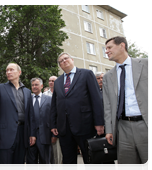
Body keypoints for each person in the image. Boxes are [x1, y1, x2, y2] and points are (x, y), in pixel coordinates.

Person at [50, 52, 104, 170]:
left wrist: (99, 122)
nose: (64, 61)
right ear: (60, 65)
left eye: (66, 58)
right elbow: (54, 104)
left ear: (72, 59)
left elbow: (96, 99)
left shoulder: (86, 74)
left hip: (85, 125)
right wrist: (53, 124)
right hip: (64, 128)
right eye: (61, 61)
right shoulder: (58, 81)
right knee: (68, 161)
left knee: (91, 160)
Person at [103, 36, 150, 170]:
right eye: (106, 49)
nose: (106, 51)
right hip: (122, 129)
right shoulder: (108, 76)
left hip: (146, 126)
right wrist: (109, 130)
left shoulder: (147, 64)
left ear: (122, 46)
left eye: (109, 47)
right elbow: (107, 106)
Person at [0, 63, 36, 170]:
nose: (8, 72)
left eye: (11, 70)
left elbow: (31, 115)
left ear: (19, 72)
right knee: (3, 166)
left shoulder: (27, 92)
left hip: (23, 134)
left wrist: (32, 134)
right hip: (4, 135)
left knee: (18, 166)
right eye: (7, 70)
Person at [27, 78, 52, 170]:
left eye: (36, 85)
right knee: (31, 162)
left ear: (41, 86)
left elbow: (53, 116)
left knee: (44, 162)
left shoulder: (49, 99)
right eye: (33, 85)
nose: (34, 87)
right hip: (30, 136)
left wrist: (53, 134)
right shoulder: (27, 99)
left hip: (45, 135)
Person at [95, 72, 116, 170]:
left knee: (110, 153)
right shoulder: (94, 93)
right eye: (98, 78)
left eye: (102, 78)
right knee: (100, 151)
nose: (101, 80)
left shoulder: (111, 90)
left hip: (112, 125)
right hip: (98, 126)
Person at [43, 76, 63, 170]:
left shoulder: (61, 92)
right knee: (49, 151)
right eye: (49, 81)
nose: (51, 82)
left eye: (53, 81)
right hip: (46, 127)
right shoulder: (44, 94)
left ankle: (57, 167)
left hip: (56, 126)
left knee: (58, 152)